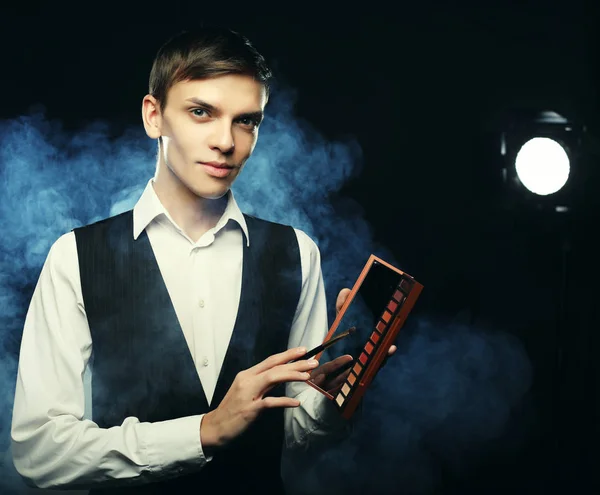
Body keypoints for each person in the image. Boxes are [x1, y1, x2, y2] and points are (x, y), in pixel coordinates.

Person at [11, 26, 396, 494]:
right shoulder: (75, 257)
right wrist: (203, 431)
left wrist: (335, 403)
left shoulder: (296, 252)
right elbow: (40, 453)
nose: (226, 141)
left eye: (246, 121)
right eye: (201, 112)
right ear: (154, 116)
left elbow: (296, 440)